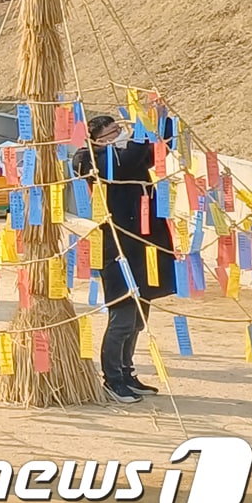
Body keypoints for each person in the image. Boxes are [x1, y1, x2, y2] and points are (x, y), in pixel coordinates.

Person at [73, 115, 176, 404]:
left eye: (120, 130)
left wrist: (162, 118)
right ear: (97, 139)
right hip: (116, 250)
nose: (121, 135)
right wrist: (139, 136)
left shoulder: (129, 154)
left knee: (139, 319)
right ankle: (113, 379)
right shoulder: (90, 158)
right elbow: (125, 162)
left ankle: (127, 373)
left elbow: (160, 149)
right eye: (113, 132)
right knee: (122, 317)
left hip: (144, 249)